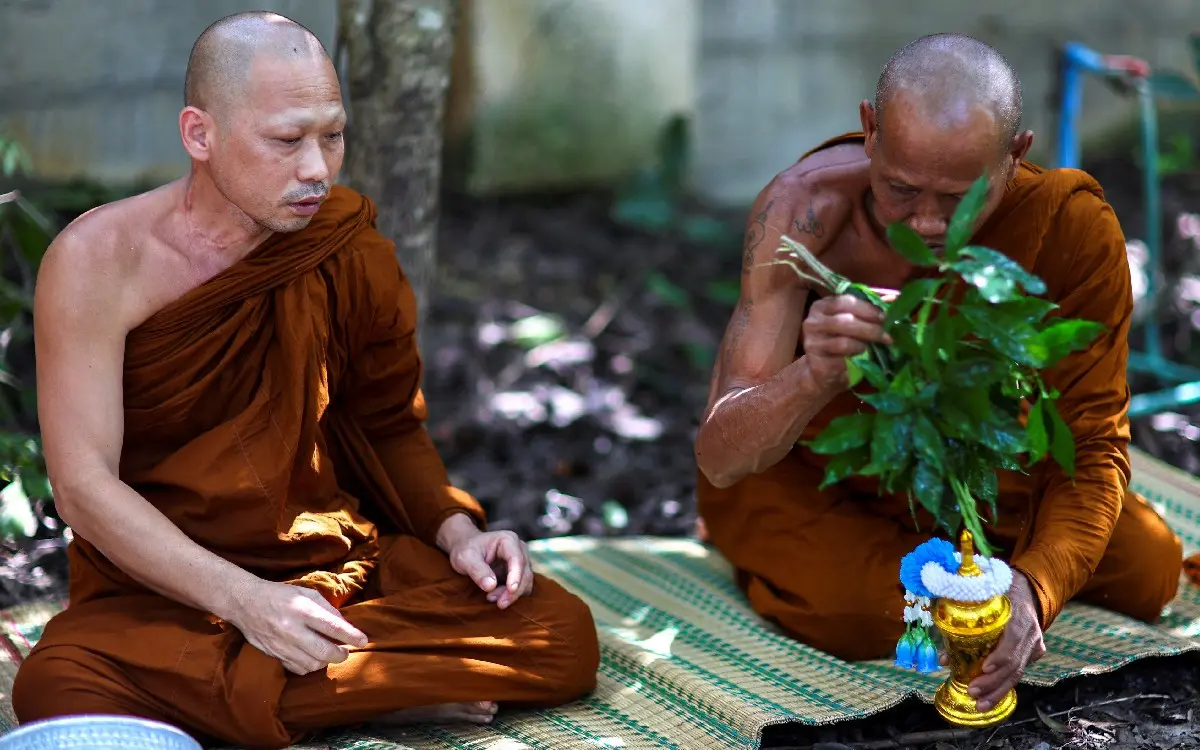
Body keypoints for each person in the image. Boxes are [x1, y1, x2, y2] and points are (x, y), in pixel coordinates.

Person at [12, 11, 599, 749]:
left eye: (333, 135)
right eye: (287, 140)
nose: (318, 168)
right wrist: (247, 600)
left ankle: (295, 692)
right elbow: (84, 488)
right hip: (165, 591)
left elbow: (387, 424)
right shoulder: (98, 262)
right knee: (58, 683)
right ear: (200, 135)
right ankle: (366, 696)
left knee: (561, 635)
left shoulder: (345, 247)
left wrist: (459, 534)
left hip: (333, 573)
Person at [694, 33, 1183, 715]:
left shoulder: (1067, 227)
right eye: (899, 188)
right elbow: (720, 457)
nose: (924, 222)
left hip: (984, 476)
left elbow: (1094, 446)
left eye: (958, 199)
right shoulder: (801, 217)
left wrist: (1034, 591)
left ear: (1017, 157)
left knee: (1149, 569)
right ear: (869, 130)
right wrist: (814, 375)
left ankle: (951, 565)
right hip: (821, 480)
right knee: (885, 614)